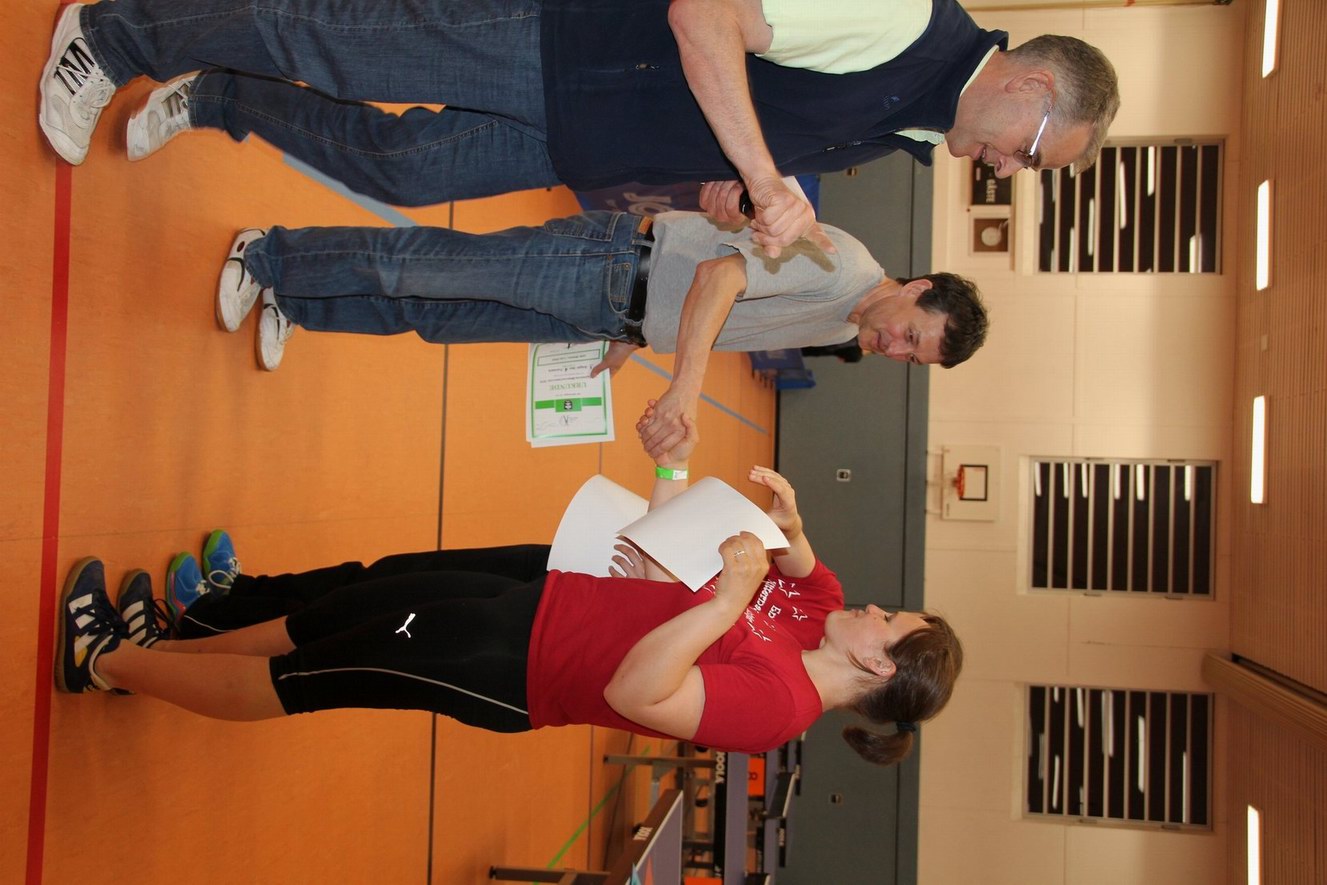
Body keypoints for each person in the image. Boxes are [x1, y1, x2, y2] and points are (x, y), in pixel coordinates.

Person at [55, 415, 963, 763]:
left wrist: (724, 600)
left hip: (511, 667)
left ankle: (105, 663)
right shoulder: (803, 630)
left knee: (301, 679)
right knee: (325, 622)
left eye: (887, 619)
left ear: (880, 662)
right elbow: (675, 574)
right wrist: (679, 491)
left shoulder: (777, 709)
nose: (872, 607)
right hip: (541, 602)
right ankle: (161, 648)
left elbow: (636, 690)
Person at [38, 0, 1119, 254]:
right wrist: (762, 172)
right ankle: (117, 34)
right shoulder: (901, 21)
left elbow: (751, 113)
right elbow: (704, 15)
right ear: (1029, 87)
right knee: (334, 38)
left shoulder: (917, 128)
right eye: (1027, 154)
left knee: (398, 169)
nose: (1003, 167)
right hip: (565, 43)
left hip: (579, 138)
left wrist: (722, 189)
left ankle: (217, 97)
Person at [213, 210, 986, 453]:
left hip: (611, 309)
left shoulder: (843, 321)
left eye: (909, 359)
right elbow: (718, 279)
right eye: (911, 336)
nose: (894, 350)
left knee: (435, 316)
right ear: (915, 290)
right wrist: (683, 386)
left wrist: (637, 335)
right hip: (606, 264)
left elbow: (723, 311)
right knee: (430, 266)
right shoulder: (842, 264)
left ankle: (299, 301)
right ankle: (270, 253)